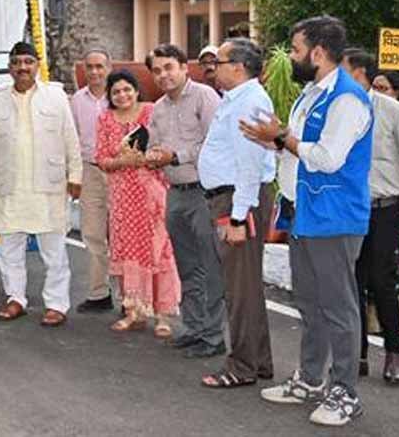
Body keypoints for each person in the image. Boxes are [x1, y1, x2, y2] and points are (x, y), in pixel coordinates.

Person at [242, 15, 372, 427]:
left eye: (296, 50)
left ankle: (345, 392)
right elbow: (298, 150)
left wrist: (282, 137)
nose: (291, 57)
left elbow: (328, 158)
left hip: (334, 217)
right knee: (310, 303)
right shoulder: (311, 93)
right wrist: (275, 140)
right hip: (304, 213)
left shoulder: (347, 99)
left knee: (338, 308)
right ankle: (311, 379)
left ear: (317, 53)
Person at [0, 42, 81, 327]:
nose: (22, 67)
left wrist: (76, 176)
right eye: (17, 63)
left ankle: (56, 304)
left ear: (37, 65)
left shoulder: (55, 96)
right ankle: (15, 299)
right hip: (11, 185)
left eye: (28, 61)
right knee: (9, 249)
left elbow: (70, 138)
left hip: (48, 185)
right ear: (10, 68)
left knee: (53, 250)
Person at [342, 48, 399, 385]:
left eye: (343, 70)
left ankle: (394, 351)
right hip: (348, 209)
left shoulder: (393, 111)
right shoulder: (338, 109)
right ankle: (358, 353)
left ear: (359, 74)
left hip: (385, 208)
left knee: (381, 282)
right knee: (352, 281)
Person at [196, 39, 276, 388]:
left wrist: (239, 218)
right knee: (246, 286)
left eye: (219, 61)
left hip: (238, 200)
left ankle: (242, 366)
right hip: (232, 198)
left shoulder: (250, 101)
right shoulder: (237, 98)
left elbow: (249, 165)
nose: (213, 67)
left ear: (239, 67)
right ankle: (258, 361)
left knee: (239, 288)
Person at [144, 44, 225, 358]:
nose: (163, 75)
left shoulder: (205, 97)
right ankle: (195, 328)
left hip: (205, 193)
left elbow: (215, 143)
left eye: (168, 67)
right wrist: (152, 156)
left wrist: (176, 155)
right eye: (157, 70)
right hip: (175, 193)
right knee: (188, 267)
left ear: (183, 67)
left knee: (211, 267)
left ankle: (214, 336)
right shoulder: (158, 108)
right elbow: (154, 145)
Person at [97, 70, 180, 336]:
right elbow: (102, 158)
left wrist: (144, 159)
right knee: (128, 251)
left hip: (152, 193)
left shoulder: (151, 112)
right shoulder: (105, 119)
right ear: (110, 96)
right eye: (116, 92)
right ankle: (133, 310)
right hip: (122, 197)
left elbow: (166, 147)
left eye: (127, 90)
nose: (122, 95)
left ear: (136, 90)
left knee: (158, 250)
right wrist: (122, 161)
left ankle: (163, 315)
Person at [70, 47, 113, 313]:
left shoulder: (121, 95)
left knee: (123, 235)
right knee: (93, 233)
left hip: (119, 172)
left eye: (100, 66)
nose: (95, 72)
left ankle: (131, 297)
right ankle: (99, 294)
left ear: (109, 68)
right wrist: (74, 177)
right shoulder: (77, 100)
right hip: (89, 170)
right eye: (90, 67)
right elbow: (72, 139)